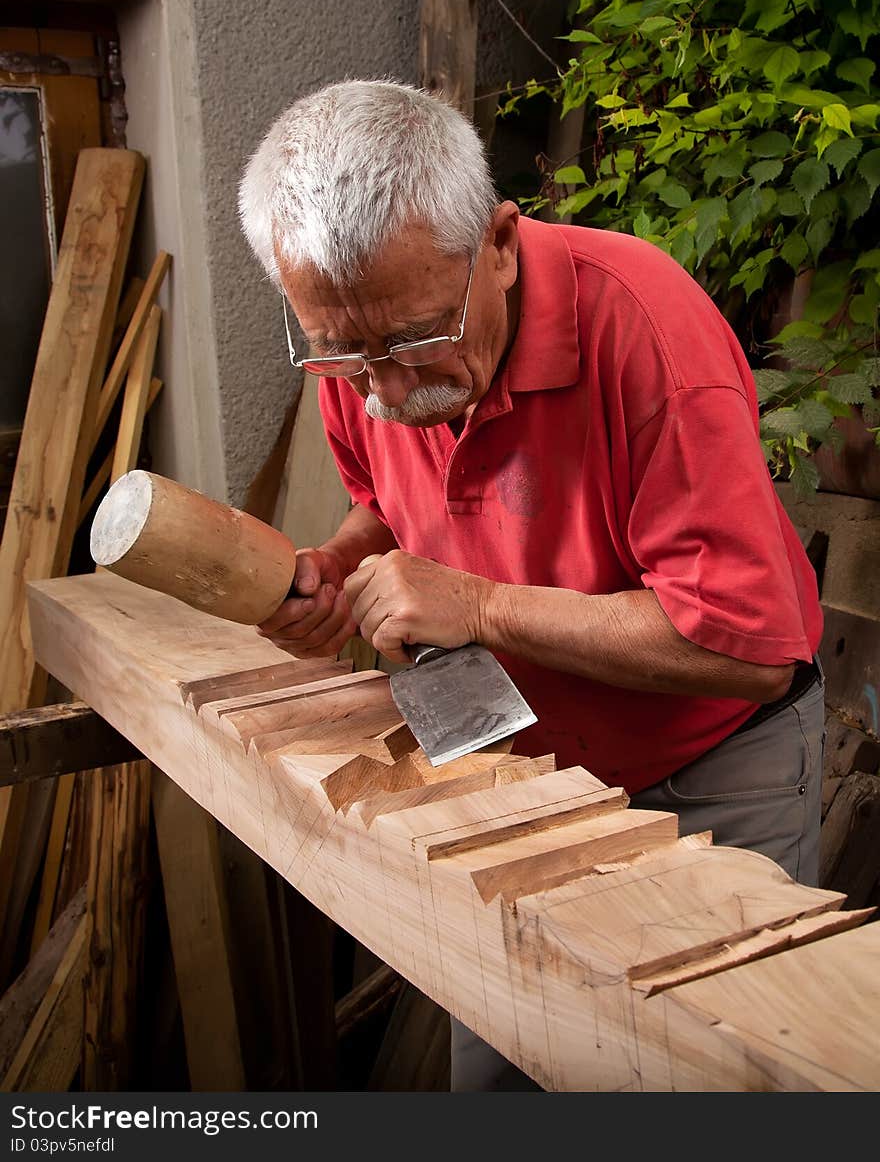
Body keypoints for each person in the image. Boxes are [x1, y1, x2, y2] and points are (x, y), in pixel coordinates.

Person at [238, 79, 825, 1091]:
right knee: (509, 1064)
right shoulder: (370, 356)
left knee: (716, 1075)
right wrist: (339, 565)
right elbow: (384, 498)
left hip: (705, 766)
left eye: (414, 338)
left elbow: (748, 650)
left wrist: (476, 605)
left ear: (501, 241)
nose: (383, 386)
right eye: (343, 350)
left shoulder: (642, 328)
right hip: (514, 765)